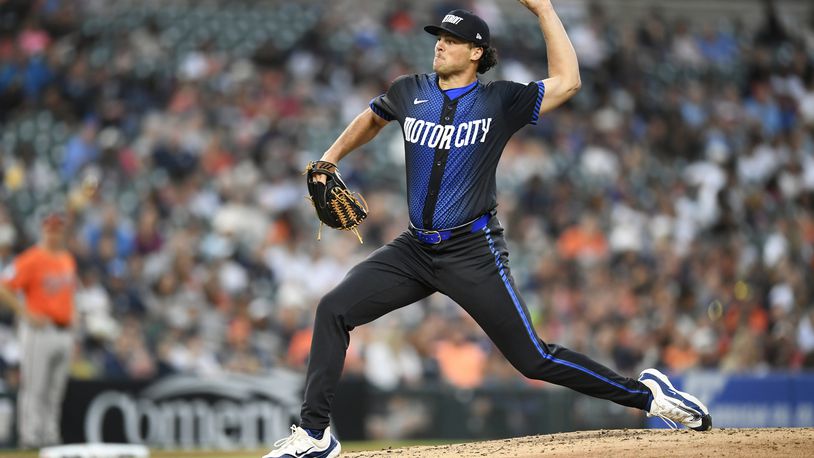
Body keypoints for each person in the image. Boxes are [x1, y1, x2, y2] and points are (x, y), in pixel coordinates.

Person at [266, 1, 711, 456]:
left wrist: (543, 11)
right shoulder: (409, 90)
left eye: (452, 40)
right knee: (334, 309)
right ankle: (316, 435)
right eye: (438, 36)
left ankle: (650, 396)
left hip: (472, 251)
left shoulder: (499, 100)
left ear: (477, 52)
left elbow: (569, 81)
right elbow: (372, 118)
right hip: (414, 249)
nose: (440, 44)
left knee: (533, 359)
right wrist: (330, 157)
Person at [0, 212, 77, 449]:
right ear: (43, 230)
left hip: (64, 331)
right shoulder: (31, 258)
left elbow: (68, 295)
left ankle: (50, 437)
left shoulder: (66, 258)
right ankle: (31, 438)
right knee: (35, 387)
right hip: (39, 332)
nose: (54, 233)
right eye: (50, 228)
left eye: (58, 228)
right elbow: (3, 286)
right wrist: (25, 312)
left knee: (55, 391)